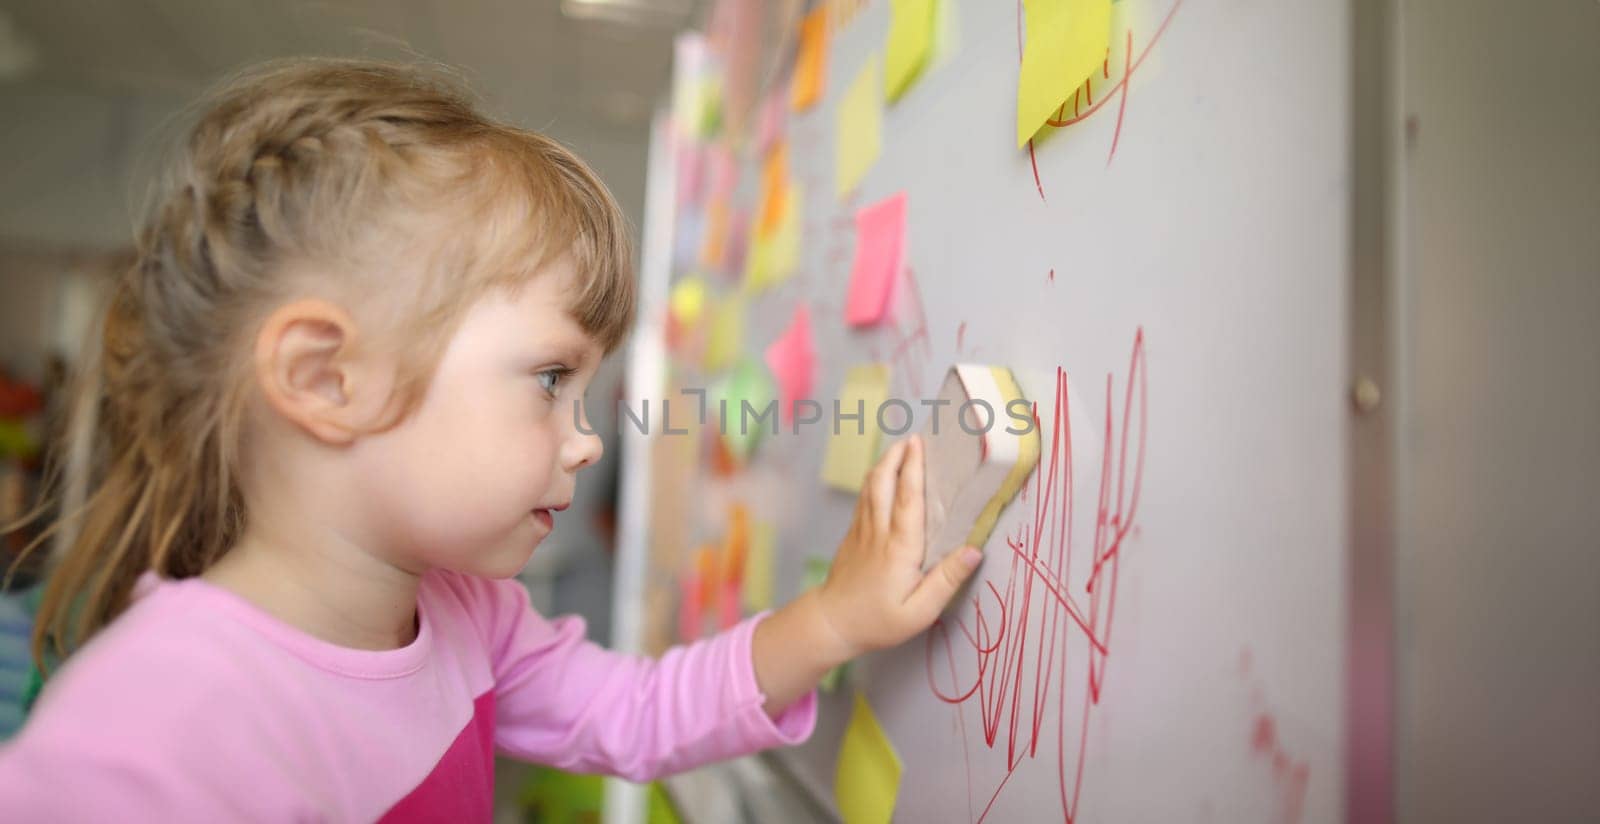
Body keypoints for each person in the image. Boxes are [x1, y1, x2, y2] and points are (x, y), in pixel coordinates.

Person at [0, 59, 981, 820]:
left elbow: (635, 712)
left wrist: (837, 620)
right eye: (551, 379)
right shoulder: (158, 719)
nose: (588, 441)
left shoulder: (472, 619)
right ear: (323, 378)